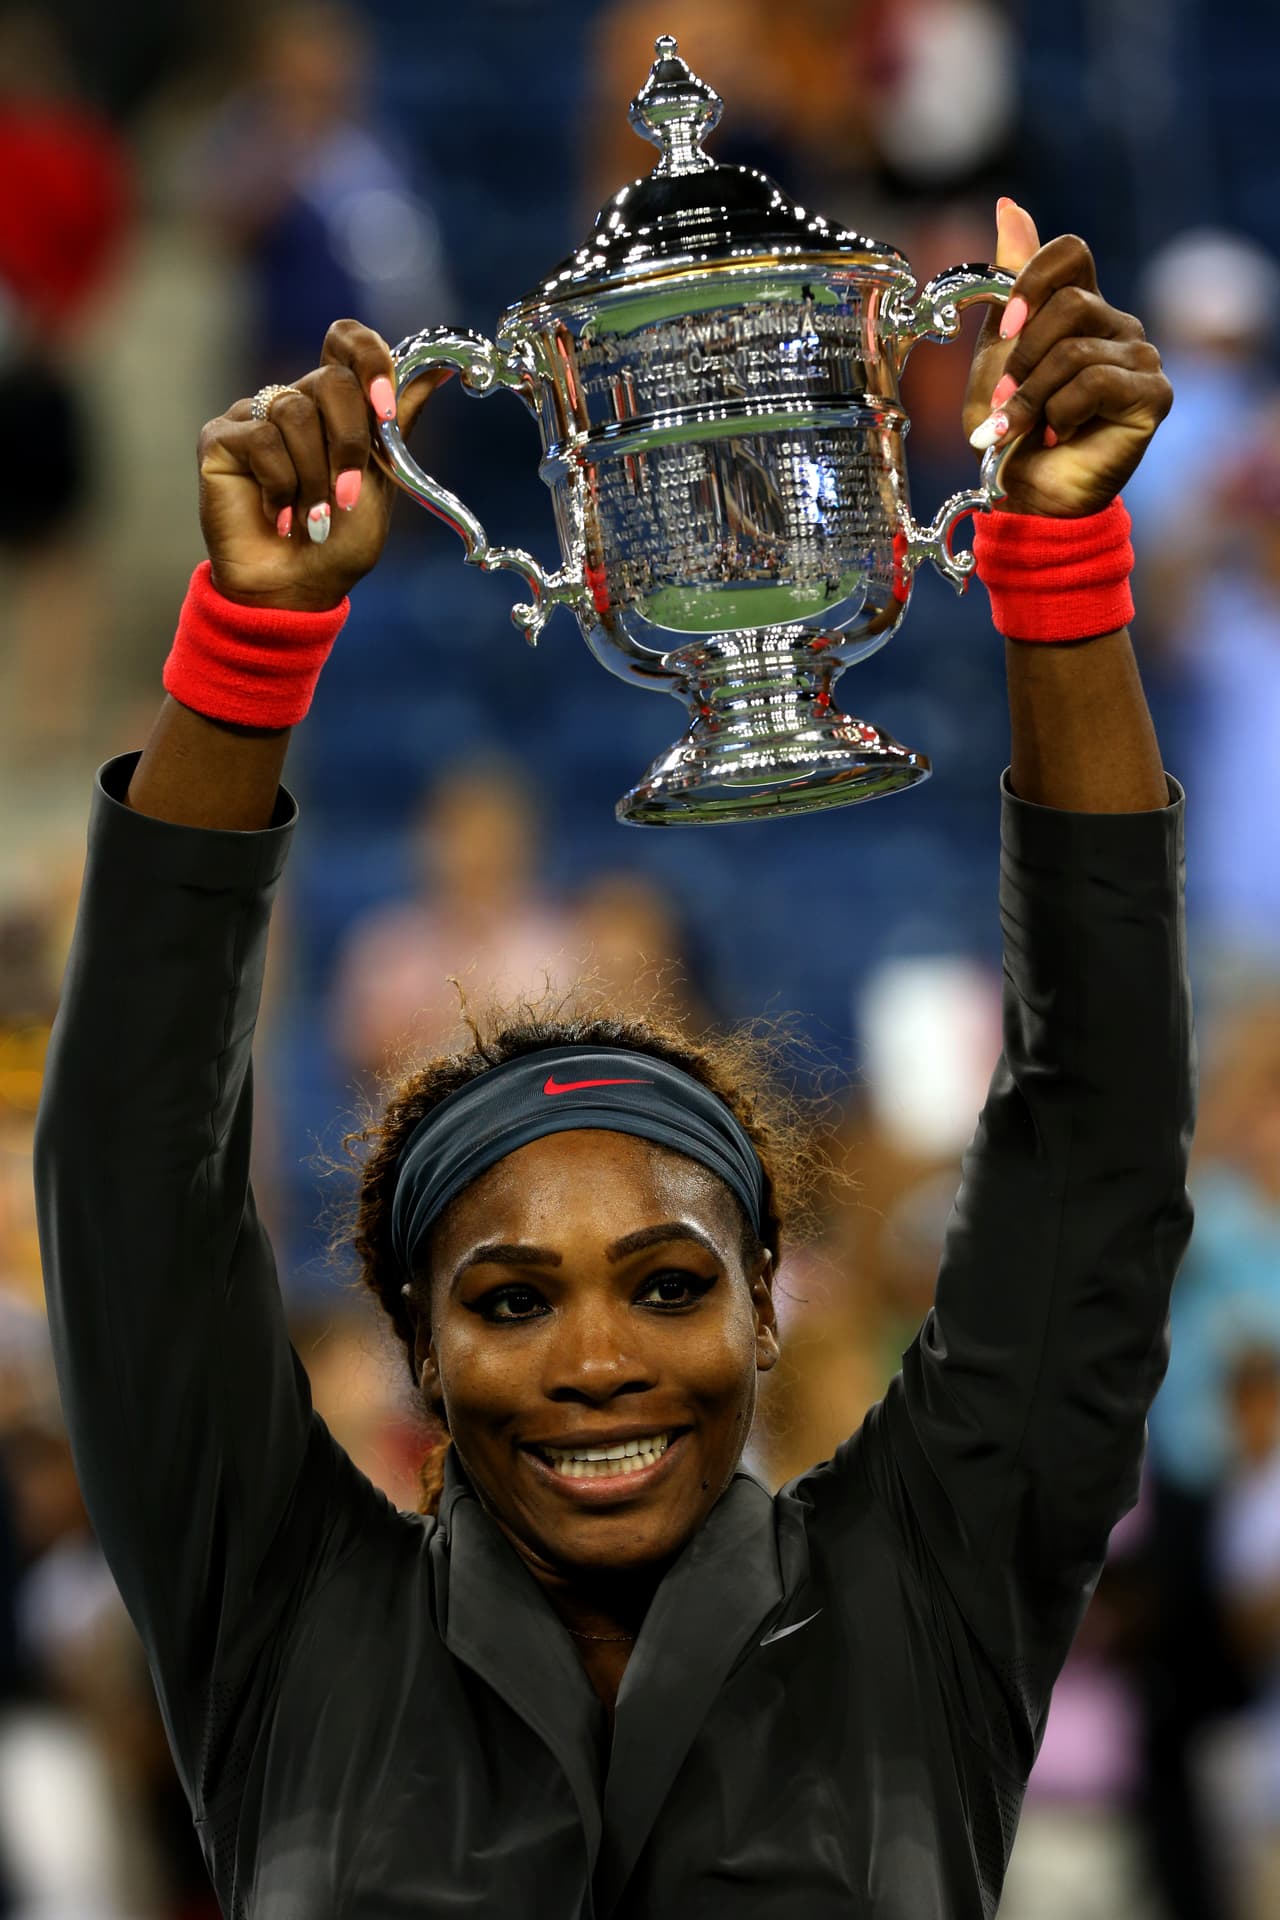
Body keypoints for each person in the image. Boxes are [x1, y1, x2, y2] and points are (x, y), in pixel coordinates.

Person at [33, 199, 1192, 1917]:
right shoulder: (282, 1613)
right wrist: (250, 642)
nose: (597, 1360)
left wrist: (1064, 573)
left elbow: (1093, 1146)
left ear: (766, 1303)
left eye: (665, 1284)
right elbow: (131, 1182)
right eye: (507, 1300)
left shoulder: (921, 1591)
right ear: (415, 1343)